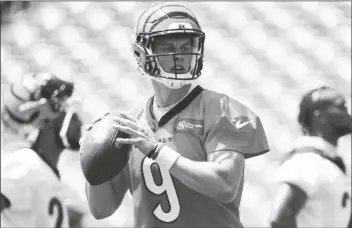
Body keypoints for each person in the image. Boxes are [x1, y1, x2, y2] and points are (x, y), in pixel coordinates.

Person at [84, 2, 270, 227]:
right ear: (141, 53)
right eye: (167, 48)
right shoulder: (131, 124)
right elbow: (101, 209)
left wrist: (156, 150)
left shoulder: (221, 109)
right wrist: (91, 157)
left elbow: (225, 184)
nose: (179, 56)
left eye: (185, 47)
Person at [0, 72, 85, 227]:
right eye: (64, 108)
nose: (77, 119)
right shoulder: (24, 164)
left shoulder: (40, 168)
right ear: (45, 120)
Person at [269, 86, 351, 228]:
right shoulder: (307, 160)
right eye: (341, 107)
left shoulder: (330, 163)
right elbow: (279, 219)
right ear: (320, 116)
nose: (348, 113)